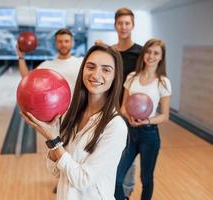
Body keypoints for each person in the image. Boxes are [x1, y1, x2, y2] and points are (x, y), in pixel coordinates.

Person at [21, 44, 128, 200]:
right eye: (90, 67)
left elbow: (83, 179)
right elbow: (55, 170)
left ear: (115, 76)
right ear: (83, 70)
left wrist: (54, 141)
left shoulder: (115, 126)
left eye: (106, 69)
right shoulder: (73, 114)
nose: (96, 75)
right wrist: (52, 139)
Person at [114, 38, 172, 200]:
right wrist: (129, 117)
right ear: (143, 53)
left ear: (161, 57)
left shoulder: (163, 82)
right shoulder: (132, 77)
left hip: (149, 135)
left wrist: (146, 121)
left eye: (156, 53)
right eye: (148, 51)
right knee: (117, 178)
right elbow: (123, 106)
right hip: (130, 133)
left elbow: (164, 116)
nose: (151, 56)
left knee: (146, 179)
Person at [112, 7, 143, 198]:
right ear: (115, 25)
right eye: (120, 23)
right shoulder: (111, 52)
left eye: (127, 23)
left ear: (133, 25)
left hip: (130, 112)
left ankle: (126, 193)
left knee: (129, 155)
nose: (123, 27)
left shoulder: (140, 53)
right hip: (109, 110)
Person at [16, 28, 82, 94]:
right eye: (60, 41)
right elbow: (26, 78)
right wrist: (21, 56)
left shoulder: (81, 62)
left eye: (66, 41)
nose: (63, 44)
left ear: (72, 43)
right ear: (55, 43)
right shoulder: (46, 65)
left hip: (76, 104)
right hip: (55, 104)